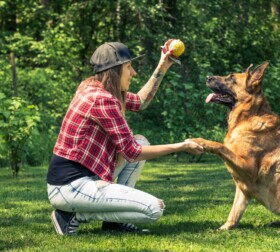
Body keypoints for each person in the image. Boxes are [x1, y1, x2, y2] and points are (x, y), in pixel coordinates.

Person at [46, 41, 204, 235]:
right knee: (154, 209)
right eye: (128, 67)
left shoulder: (94, 87)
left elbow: (139, 102)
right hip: (70, 186)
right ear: (114, 71)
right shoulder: (102, 99)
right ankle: (72, 216)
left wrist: (163, 65)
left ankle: (113, 223)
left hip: (82, 178)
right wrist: (181, 146)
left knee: (140, 140)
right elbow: (132, 152)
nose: (133, 73)